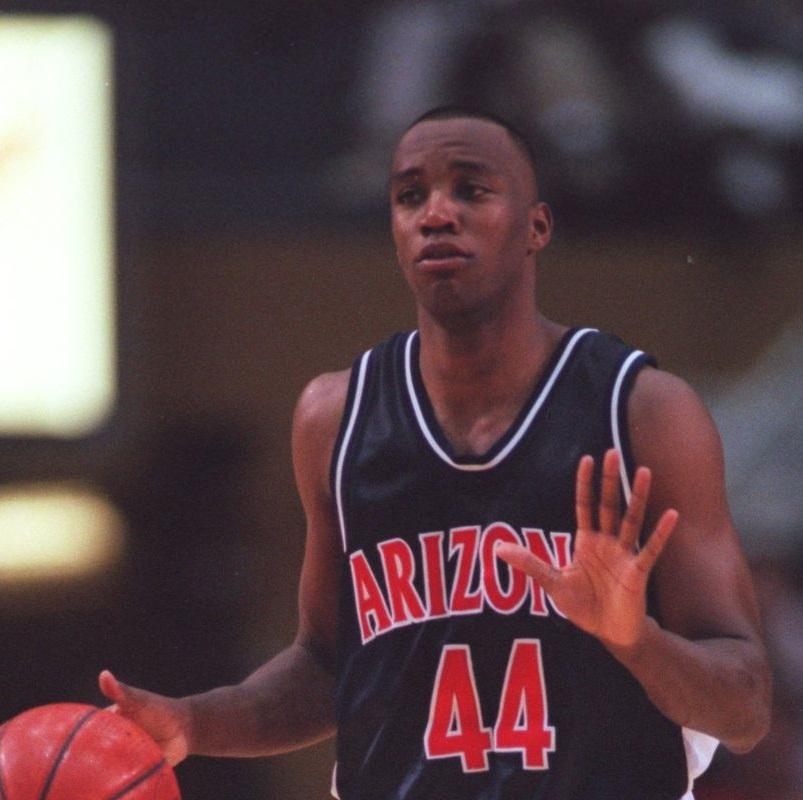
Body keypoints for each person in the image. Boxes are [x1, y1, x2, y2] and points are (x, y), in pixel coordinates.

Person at [99, 107, 772, 799]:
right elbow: (327, 667)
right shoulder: (335, 419)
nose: (436, 214)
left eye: (471, 190)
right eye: (410, 195)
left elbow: (746, 710)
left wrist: (636, 640)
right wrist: (192, 723)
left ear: (536, 227)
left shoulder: (643, 411)